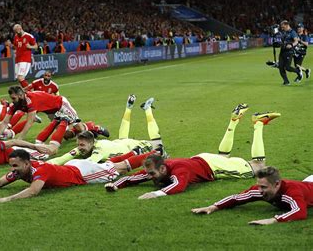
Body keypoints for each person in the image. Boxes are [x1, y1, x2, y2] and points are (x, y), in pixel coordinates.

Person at [104, 104, 281, 200]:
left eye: (152, 174)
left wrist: (154, 194)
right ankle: (234, 121)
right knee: (223, 157)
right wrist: (116, 184)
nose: (149, 177)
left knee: (258, 166)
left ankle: (258, 124)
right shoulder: (156, 167)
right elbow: (135, 177)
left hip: (212, 166)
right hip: (203, 159)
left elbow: (178, 187)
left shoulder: (180, 171)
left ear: (163, 169)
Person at [0, 149, 142, 203]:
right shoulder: (20, 170)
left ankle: (154, 155)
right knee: (108, 164)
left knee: (118, 169)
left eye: (15, 166)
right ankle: (137, 151)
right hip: (73, 167)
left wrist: (7, 199)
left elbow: (33, 191)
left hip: (84, 174)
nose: (12, 170)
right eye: (11, 166)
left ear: (27, 163)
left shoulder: (40, 170)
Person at [48, 94, 166, 165]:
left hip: (135, 146)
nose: (79, 148)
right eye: (79, 145)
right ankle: (131, 107)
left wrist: (67, 165)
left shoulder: (99, 150)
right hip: (119, 144)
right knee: (123, 138)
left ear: (92, 143)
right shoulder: (84, 145)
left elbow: (87, 165)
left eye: (82, 146)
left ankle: (147, 109)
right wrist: (40, 165)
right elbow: (61, 159)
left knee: (158, 143)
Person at [192, 167, 313, 225]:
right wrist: (212, 207)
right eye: (259, 186)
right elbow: (236, 198)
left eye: (264, 187)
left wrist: (273, 220)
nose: (259, 190)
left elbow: (300, 212)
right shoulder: (260, 189)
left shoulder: (292, 192)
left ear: (277, 184)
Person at [0, 86, 82, 142]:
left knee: (79, 127)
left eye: (14, 98)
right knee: (65, 135)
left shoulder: (31, 100)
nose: (12, 100)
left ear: (20, 95)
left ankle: (89, 133)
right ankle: (80, 132)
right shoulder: (16, 104)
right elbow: (4, 122)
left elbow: (29, 122)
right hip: (51, 112)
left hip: (60, 105)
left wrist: (20, 139)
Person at [277, 21, 302, 85]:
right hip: (282, 51)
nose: (282, 28)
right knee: (281, 67)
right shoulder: (284, 32)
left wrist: (291, 45)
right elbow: (283, 41)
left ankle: (298, 72)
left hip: (289, 52)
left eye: (283, 27)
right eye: (281, 27)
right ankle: (286, 81)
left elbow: (296, 41)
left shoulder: (292, 32)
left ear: (287, 25)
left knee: (287, 67)